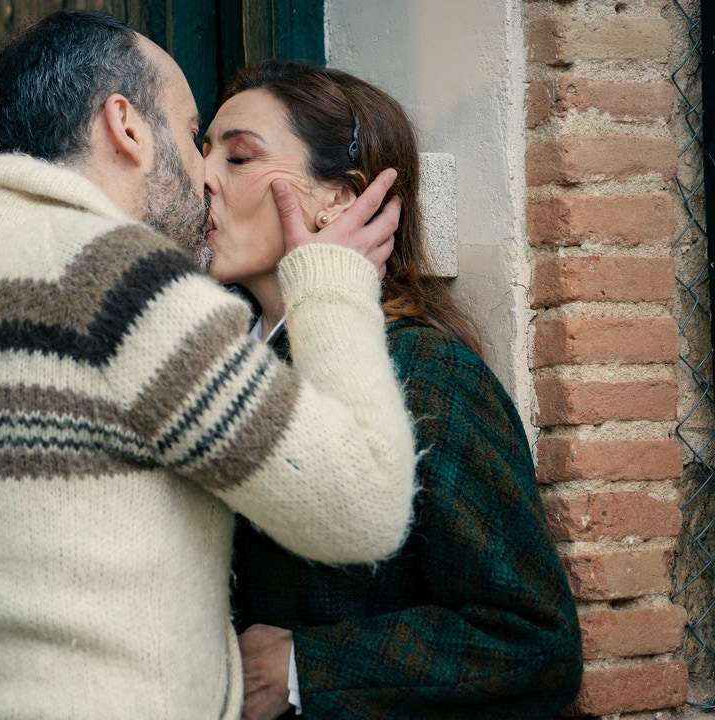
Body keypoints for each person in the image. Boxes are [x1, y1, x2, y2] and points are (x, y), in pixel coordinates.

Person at [0, 11, 420, 720]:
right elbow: (360, 508)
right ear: (127, 125)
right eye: (186, 129)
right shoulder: (120, 281)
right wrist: (331, 282)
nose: (203, 174)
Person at [200, 60, 583, 720]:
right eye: (202, 151)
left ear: (341, 200)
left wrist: (303, 669)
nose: (202, 177)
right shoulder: (210, 364)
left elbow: (534, 643)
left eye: (237, 158)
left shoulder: (427, 372)